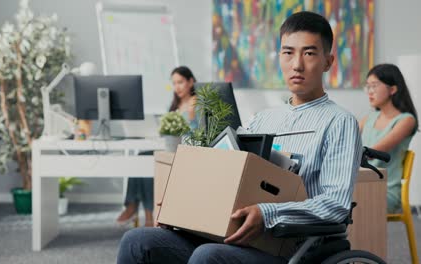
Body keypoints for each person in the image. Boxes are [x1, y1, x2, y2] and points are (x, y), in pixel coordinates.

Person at [117, 11, 362, 263]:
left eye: (309, 53)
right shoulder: (262, 119)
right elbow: (226, 175)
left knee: (208, 256)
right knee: (137, 241)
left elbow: (335, 205)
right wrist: (183, 210)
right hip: (234, 234)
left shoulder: (340, 122)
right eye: (288, 52)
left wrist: (267, 213)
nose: (296, 64)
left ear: (328, 61)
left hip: (292, 246)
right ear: (279, 56)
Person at [116, 66, 199, 227]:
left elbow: (196, 132)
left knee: (150, 161)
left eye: (180, 82)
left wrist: (190, 115)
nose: (177, 87)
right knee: (140, 158)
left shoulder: (195, 103)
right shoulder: (175, 104)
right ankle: (138, 208)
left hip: (184, 150)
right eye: (174, 83)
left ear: (191, 81)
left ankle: (145, 213)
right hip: (170, 146)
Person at [359, 64, 418, 213]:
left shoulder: (406, 120)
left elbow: (372, 153)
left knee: (342, 200)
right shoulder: (368, 119)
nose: (369, 92)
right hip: (361, 183)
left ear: (392, 89)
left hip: (386, 190)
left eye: (374, 86)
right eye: (368, 87)